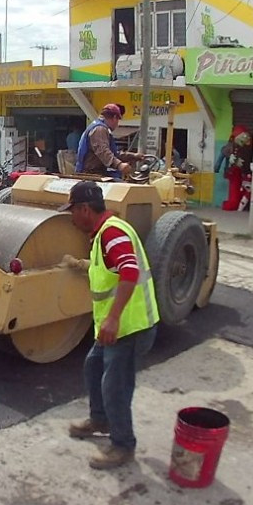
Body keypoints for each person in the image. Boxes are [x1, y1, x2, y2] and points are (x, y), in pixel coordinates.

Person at [59, 181, 159, 469]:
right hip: (114, 327)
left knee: (115, 385)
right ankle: (99, 420)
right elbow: (110, 269)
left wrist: (113, 318)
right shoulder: (103, 232)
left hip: (131, 327)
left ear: (85, 209)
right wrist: (83, 265)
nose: (71, 218)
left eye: (72, 212)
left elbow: (129, 270)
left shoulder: (111, 232)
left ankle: (123, 445)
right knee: (93, 367)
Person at [75, 104, 143, 177]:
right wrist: (119, 165)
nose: (117, 124)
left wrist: (134, 156)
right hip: (90, 174)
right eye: (118, 120)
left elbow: (114, 153)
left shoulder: (101, 128)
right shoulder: (99, 129)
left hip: (98, 172)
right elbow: (103, 151)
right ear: (114, 118)